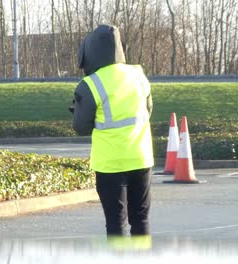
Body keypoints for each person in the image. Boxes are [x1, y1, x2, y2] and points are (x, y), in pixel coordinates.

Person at [71, 24, 154, 237]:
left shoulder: (90, 84)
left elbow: (80, 127)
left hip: (110, 164)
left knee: (116, 224)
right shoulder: (139, 74)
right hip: (141, 158)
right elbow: (148, 110)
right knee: (141, 220)